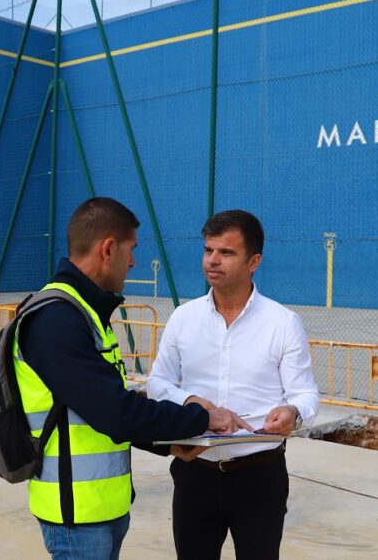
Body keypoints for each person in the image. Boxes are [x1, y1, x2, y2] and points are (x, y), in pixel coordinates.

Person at [17, 197, 250, 559]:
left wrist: (166, 443)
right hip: (75, 513)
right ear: (109, 249)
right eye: (131, 250)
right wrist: (204, 418)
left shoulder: (84, 313)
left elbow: (101, 405)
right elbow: (115, 412)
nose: (133, 262)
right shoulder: (56, 319)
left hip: (101, 506)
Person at [147, 209, 320, 560]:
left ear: (253, 261)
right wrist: (196, 402)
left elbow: (304, 393)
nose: (213, 260)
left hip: (259, 477)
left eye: (226, 252)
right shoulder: (184, 319)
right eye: (209, 250)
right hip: (194, 471)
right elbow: (158, 384)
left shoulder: (282, 323)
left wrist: (293, 412)